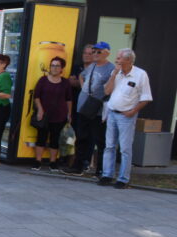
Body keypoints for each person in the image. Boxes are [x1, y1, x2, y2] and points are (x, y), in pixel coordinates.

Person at [98, 49, 152, 189]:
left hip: (126, 116)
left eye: (119, 58)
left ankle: (123, 178)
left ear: (128, 60)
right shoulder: (116, 73)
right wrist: (114, 74)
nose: (116, 60)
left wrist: (133, 111)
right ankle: (107, 175)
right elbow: (107, 91)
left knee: (125, 148)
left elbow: (146, 98)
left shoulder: (140, 75)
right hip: (112, 113)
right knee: (109, 146)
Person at [65, 42, 115, 177]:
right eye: (94, 51)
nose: (95, 54)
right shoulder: (92, 66)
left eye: (99, 52)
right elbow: (82, 75)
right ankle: (78, 166)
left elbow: (112, 87)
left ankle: (100, 169)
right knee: (81, 137)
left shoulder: (111, 68)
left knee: (99, 139)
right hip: (83, 106)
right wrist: (84, 88)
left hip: (97, 108)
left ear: (107, 53)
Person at [32, 56, 72, 172]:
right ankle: (38, 161)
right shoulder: (43, 80)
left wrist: (69, 114)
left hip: (59, 115)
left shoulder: (65, 83)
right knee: (41, 137)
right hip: (44, 116)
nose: (54, 68)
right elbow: (36, 96)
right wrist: (40, 109)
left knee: (55, 139)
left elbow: (69, 99)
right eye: (52, 65)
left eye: (57, 66)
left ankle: (53, 162)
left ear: (62, 69)